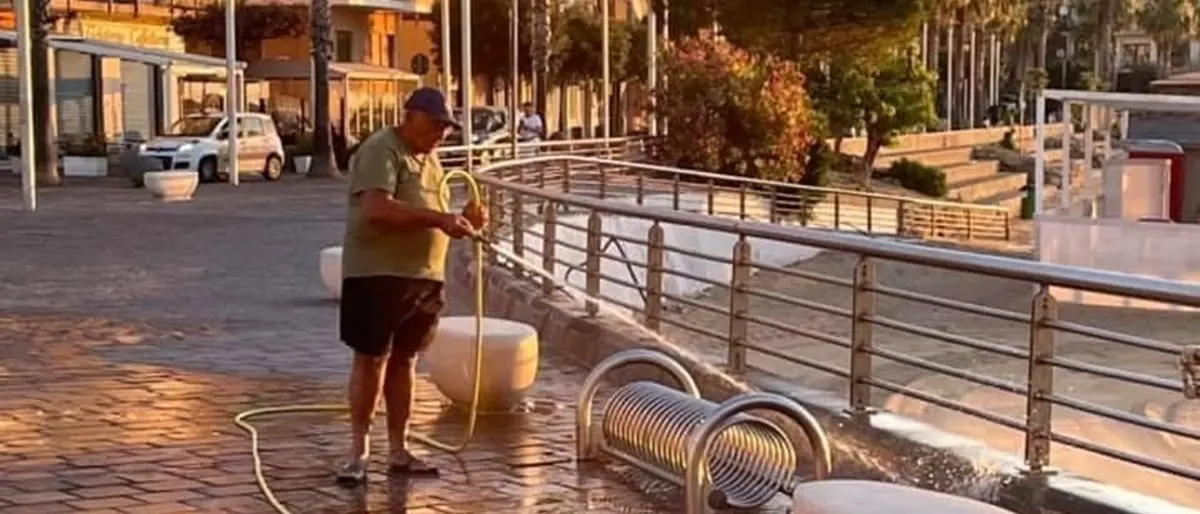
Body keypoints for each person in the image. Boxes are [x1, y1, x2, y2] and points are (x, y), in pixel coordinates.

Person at [336, 87, 487, 484]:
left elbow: (433, 212)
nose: (441, 133)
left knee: (405, 360)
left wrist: (463, 219)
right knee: (372, 358)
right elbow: (376, 209)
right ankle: (359, 451)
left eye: (446, 127)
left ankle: (399, 449)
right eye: (435, 124)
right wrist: (439, 221)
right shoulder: (382, 149)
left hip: (423, 276)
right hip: (376, 273)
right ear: (411, 115)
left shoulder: (432, 160)